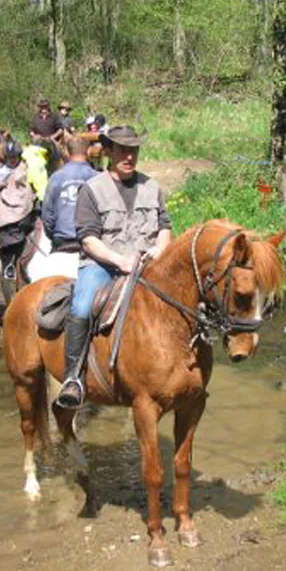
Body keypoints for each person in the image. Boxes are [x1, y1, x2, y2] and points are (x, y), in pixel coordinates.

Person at [56, 125, 172, 409]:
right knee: (82, 306)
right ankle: (73, 377)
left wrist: (160, 249)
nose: (129, 156)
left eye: (133, 150)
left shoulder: (152, 187)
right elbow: (88, 239)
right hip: (103, 265)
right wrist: (120, 260)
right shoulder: (92, 189)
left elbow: (164, 227)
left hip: (146, 265)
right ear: (108, 151)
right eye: (122, 150)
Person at [0, 140, 38, 303]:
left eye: (15, 157)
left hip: (26, 210)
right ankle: (9, 264)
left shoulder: (27, 168)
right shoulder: (1, 172)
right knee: (10, 237)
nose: (12, 160)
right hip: (9, 214)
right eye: (9, 157)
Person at [42, 136, 98, 253]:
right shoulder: (97, 177)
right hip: (91, 243)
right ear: (88, 151)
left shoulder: (55, 177)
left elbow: (47, 214)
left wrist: (53, 235)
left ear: (67, 153)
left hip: (62, 241)